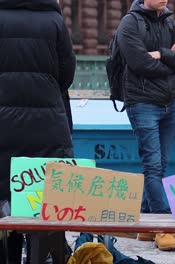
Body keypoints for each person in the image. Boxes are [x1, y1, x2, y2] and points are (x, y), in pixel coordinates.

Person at [0, 0, 76, 262]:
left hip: (3, 128)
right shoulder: (53, 20)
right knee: (41, 205)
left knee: (3, 202)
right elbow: (67, 73)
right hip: (47, 126)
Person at [116, 0, 175, 251]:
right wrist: (171, 62)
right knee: (153, 165)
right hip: (143, 103)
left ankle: (148, 224)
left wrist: (163, 54)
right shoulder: (130, 23)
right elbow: (139, 63)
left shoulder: (169, 21)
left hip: (169, 105)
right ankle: (163, 225)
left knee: (159, 165)